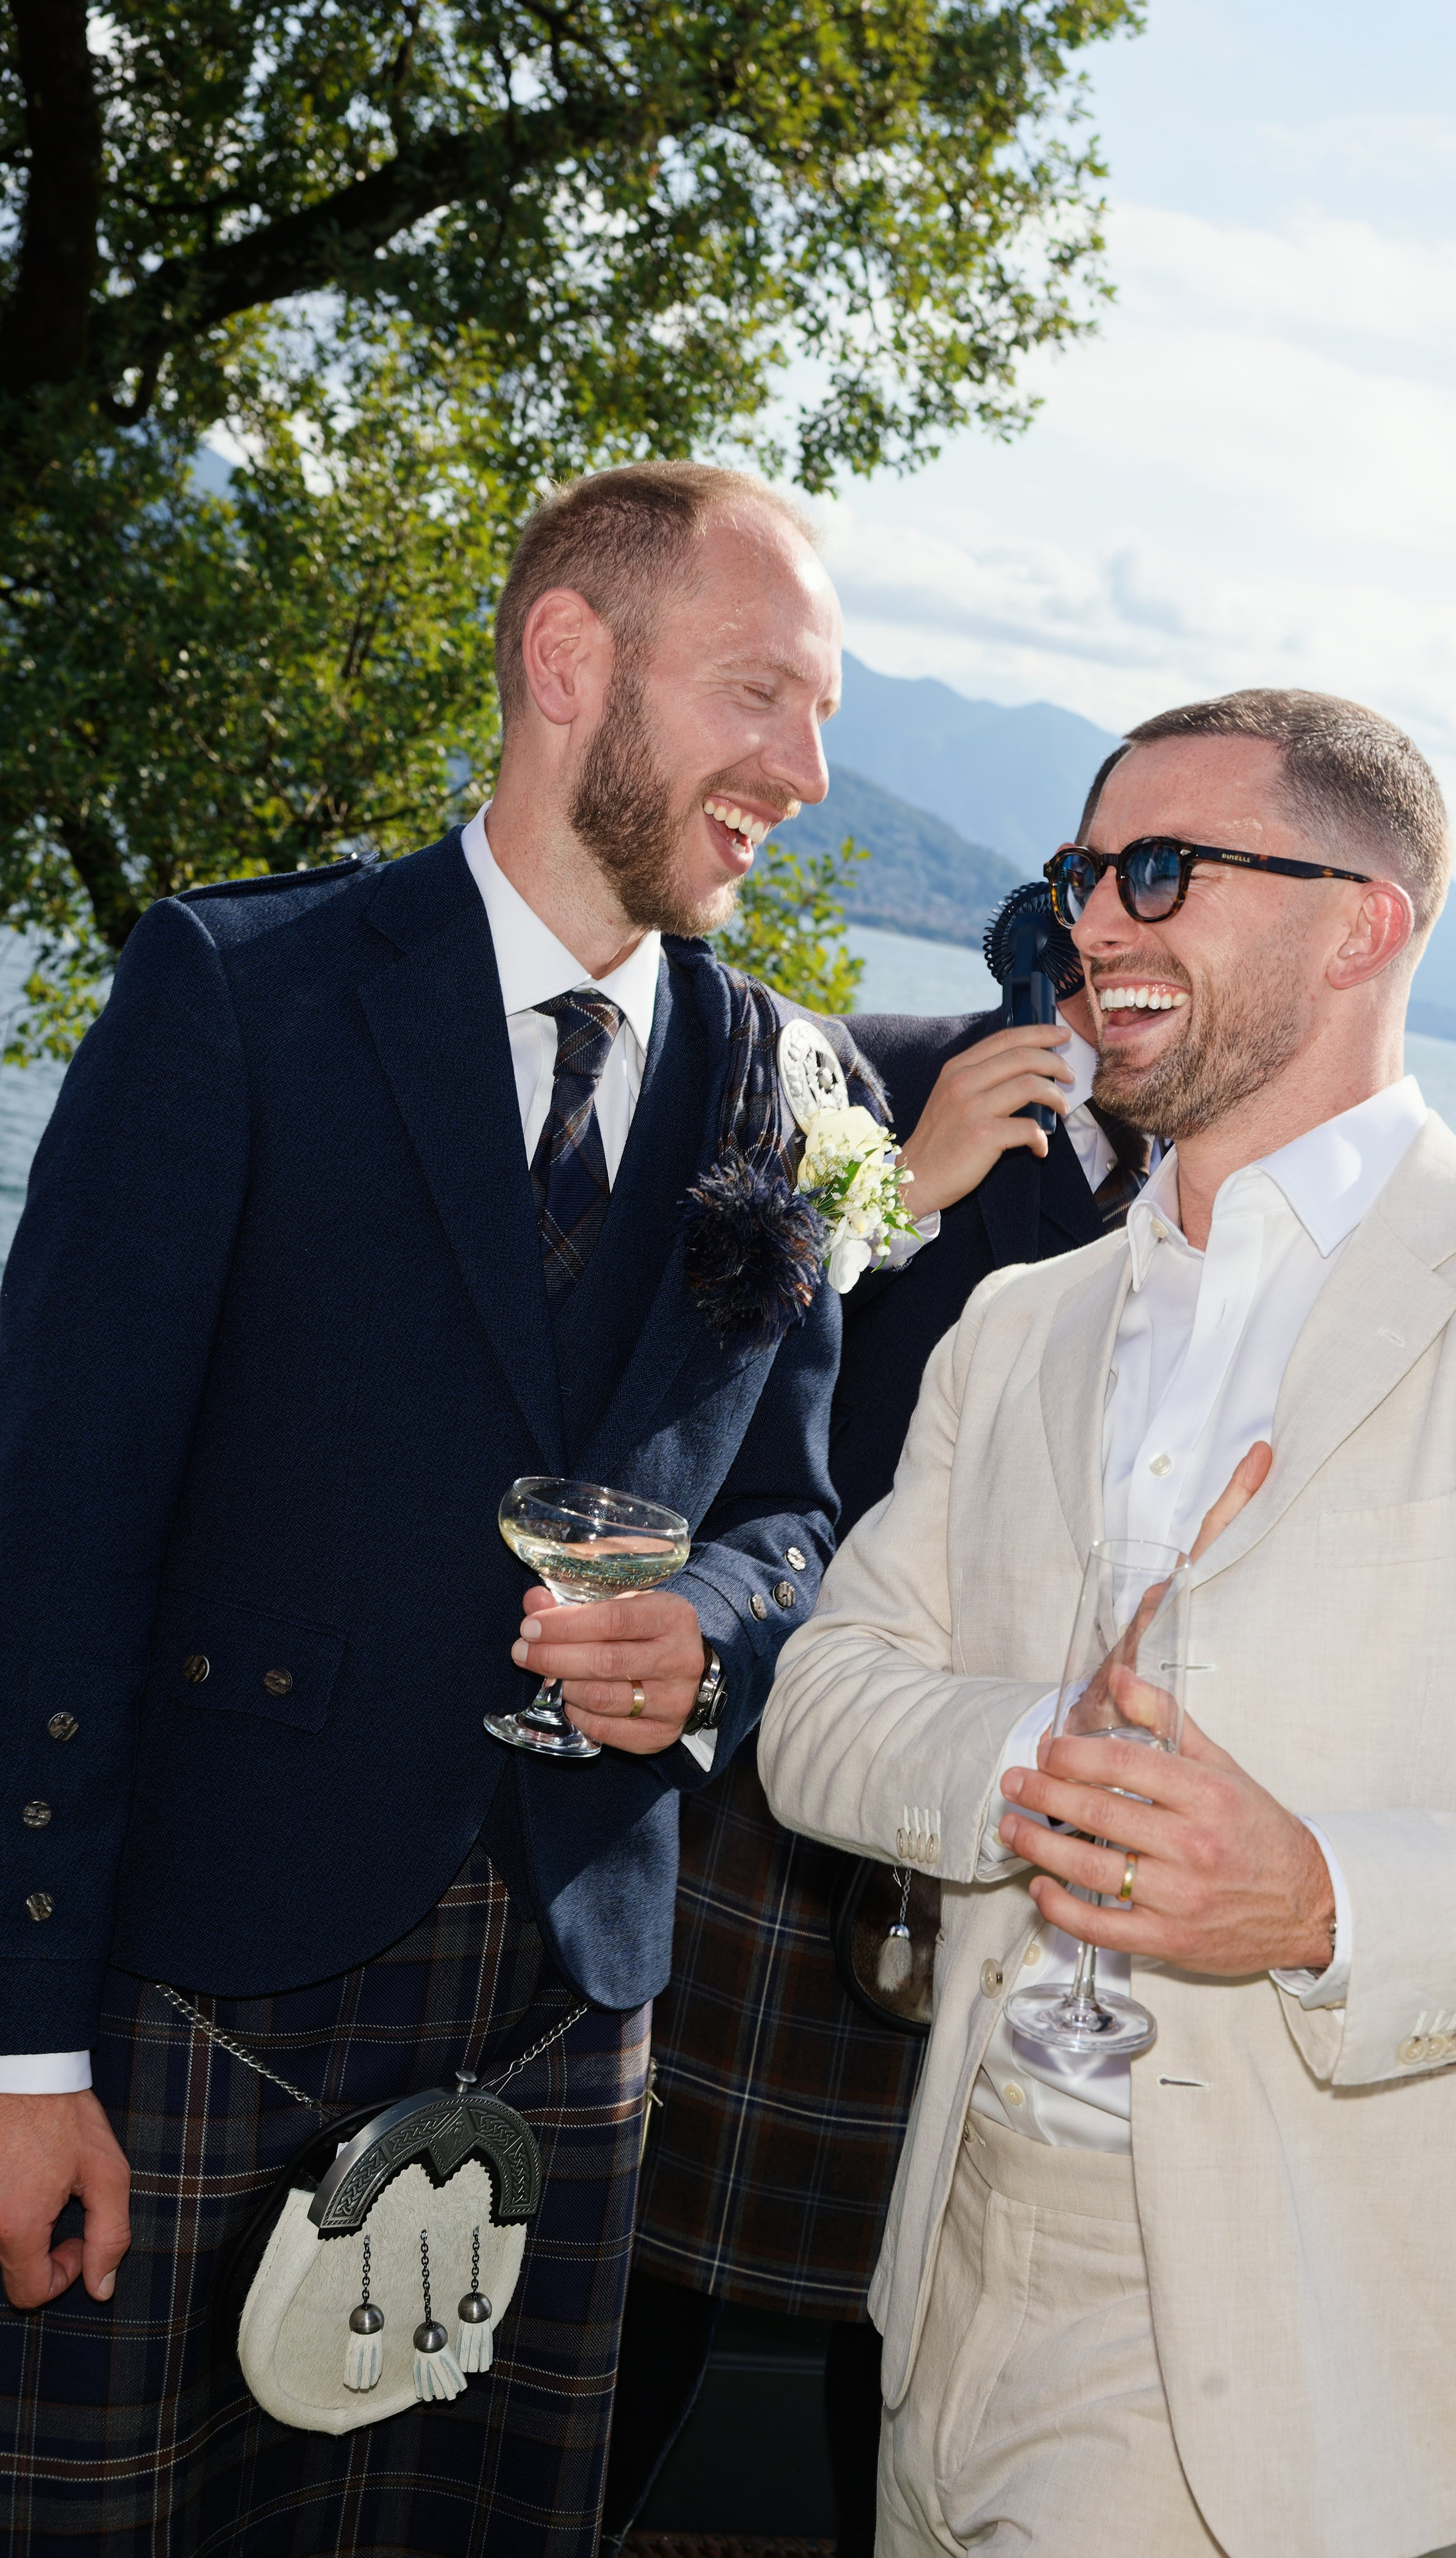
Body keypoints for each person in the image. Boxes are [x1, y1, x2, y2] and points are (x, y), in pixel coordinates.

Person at [0, 462, 866, 2557]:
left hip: (574, 1991)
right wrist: (25, 2059)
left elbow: (790, 1511)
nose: (807, 772)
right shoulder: (237, 996)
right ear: (570, 661)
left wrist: (716, 1636)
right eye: (763, 695)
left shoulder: (784, 1088)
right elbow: (51, 1531)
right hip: (206, 1979)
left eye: (824, 716)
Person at [761, 686, 1456, 2558]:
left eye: (1165, 871)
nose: (1098, 923)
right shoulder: (1016, 1329)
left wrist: (1322, 1902)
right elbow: (817, 1711)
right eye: (1086, 873)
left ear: (1366, 922)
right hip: (953, 2298)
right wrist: (1040, 1757)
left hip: (1307, 2346)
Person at [603, 874, 1148, 2555]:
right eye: (1087, 940)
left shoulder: (1220, 1191)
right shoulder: (846, 1073)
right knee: (648, 2278)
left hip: (1037, 1823)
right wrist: (893, 1200)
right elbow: (676, 1392)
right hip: (791, 1776)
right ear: (1043, 940)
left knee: (920, 2301)